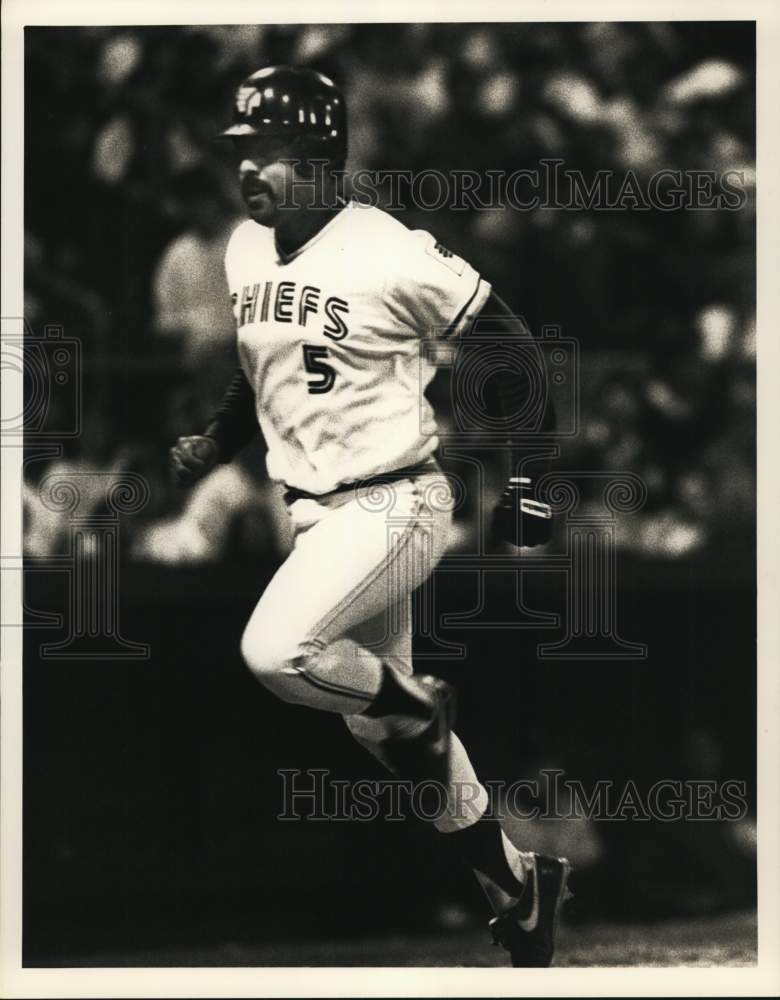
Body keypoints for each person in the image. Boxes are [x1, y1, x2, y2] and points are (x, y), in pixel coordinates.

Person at [169, 65, 570, 967]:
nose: (247, 170)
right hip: (318, 515)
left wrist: (533, 482)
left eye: (267, 153)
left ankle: (414, 702)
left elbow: (515, 349)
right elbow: (261, 360)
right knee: (389, 736)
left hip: (397, 503)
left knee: (277, 651)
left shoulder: (388, 248)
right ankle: (516, 883)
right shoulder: (243, 247)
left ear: (321, 159)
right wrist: (219, 439)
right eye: (242, 151)